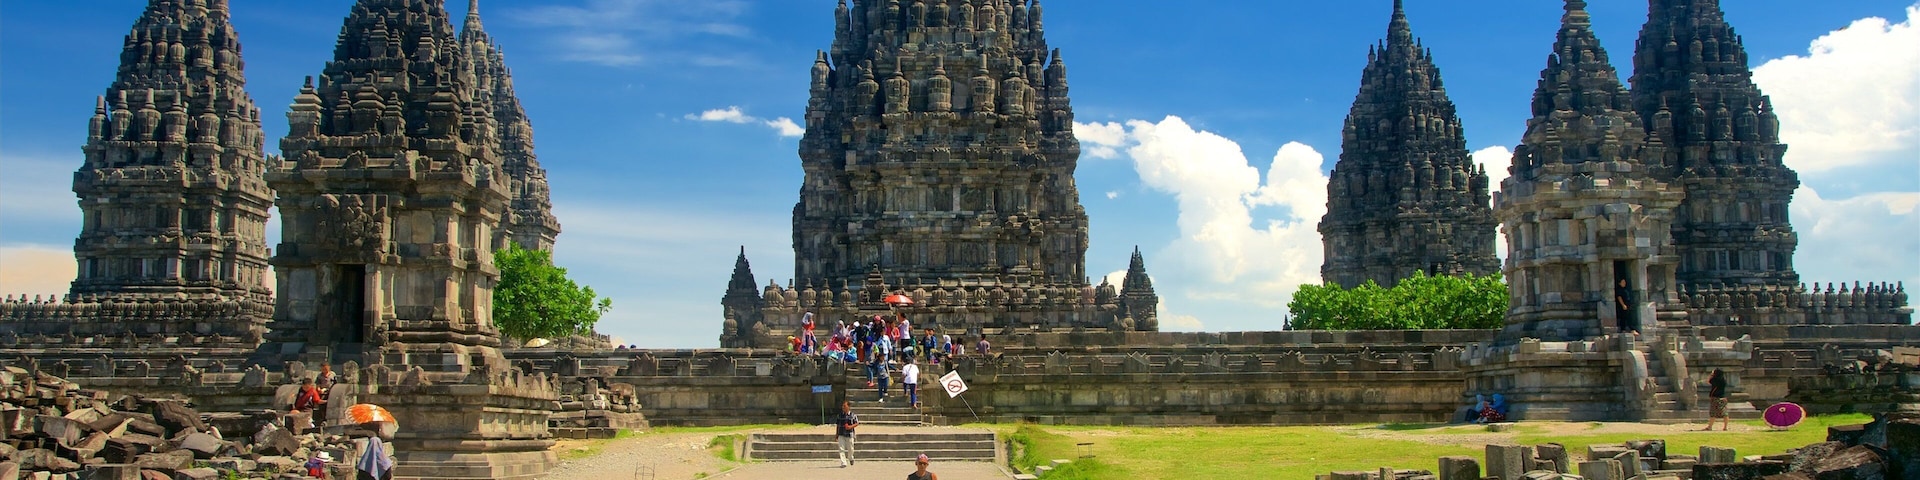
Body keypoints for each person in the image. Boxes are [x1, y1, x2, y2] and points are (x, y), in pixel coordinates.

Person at [835, 401, 859, 467]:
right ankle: (843, 462)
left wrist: (850, 427)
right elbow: (838, 425)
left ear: (848, 407)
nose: (843, 407)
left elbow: (857, 423)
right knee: (841, 448)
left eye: (844, 406)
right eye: (843, 406)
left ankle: (851, 458)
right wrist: (836, 434)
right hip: (841, 433)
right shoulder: (839, 415)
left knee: (850, 449)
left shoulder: (853, 415)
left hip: (850, 434)